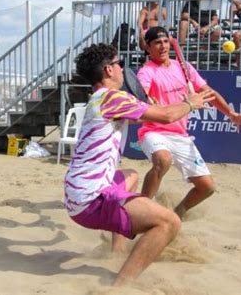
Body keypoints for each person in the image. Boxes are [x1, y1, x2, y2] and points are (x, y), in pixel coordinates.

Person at [64, 43, 215, 286]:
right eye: (119, 63)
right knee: (169, 223)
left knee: (132, 175)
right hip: (90, 200)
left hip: (75, 194)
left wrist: (153, 107)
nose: (123, 68)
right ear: (108, 70)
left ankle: (118, 251)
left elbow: (145, 116)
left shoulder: (99, 99)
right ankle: (119, 287)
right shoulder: (112, 97)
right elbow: (166, 116)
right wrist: (190, 103)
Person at [137, 27, 241, 219]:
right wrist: (147, 100)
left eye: (165, 41)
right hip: (154, 131)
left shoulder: (184, 67)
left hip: (180, 135)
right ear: (148, 48)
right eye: (157, 43)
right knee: (163, 160)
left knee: (207, 187)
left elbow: (209, 94)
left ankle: (177, 214)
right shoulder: (146, 72)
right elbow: (142, 98)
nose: (163, 46)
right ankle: (140, 211)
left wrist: (230, 113)